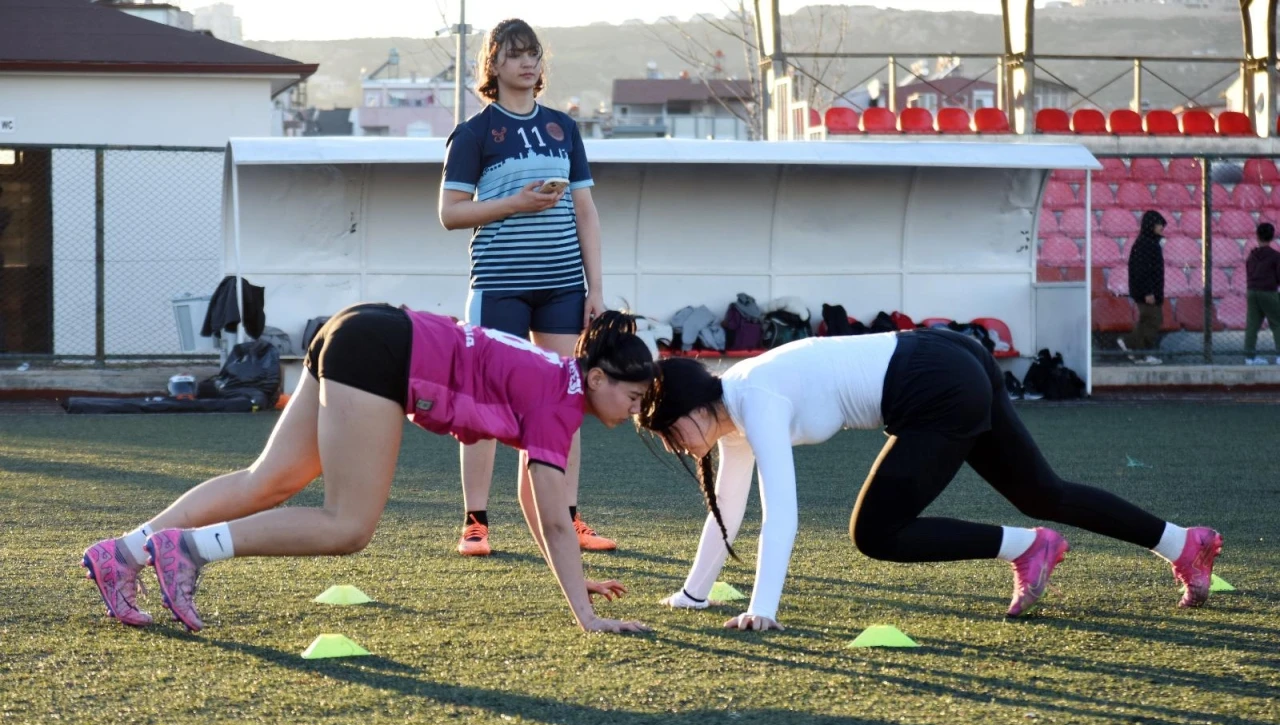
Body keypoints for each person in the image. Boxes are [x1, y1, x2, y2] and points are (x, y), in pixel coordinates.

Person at [81, 307, 654, 635]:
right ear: (599, 377)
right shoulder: (562, 402)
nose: (634, 412)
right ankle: (190, 549)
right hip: (383, 354)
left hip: (360, 327)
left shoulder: (561, 382)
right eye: (632, 397)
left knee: (270, 479)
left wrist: (576, 584)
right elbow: (557, 521)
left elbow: (537, 501)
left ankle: (125, 553)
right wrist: (586, 617)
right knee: (348, 525)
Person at [637, 327, 1222, 631]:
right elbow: (729, 509)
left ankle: (1029, 546)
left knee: (876, 533)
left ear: (691, 411)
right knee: (1041, 491)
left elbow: (780, 514)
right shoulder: (733, 411)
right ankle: (1182, 542)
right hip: (945, 357)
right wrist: (693, 595)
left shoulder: (754, 399)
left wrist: (764, 607)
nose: (676, 446)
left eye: (670, 434)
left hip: (935, 381)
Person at [440, 18, 614, 558]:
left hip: (563, 285)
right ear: (492, 65)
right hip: (500, 285)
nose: (527, 63)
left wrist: (596, 290)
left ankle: (566, 514)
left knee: (562, 400)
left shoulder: (564, 128)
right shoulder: (473, 134)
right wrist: (515, 203)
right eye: (514, 54)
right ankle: (476, 521)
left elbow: (585, 211)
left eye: (534, 53)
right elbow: (450, 214)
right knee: (487, 403)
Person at [1118, 210, 1167, 365]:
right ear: (1151, 225)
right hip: (1147, 291)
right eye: (1159, 224)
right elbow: (1141, 270)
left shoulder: (1149, 242)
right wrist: (1148, 292)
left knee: (1150, 320)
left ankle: (1140, 354)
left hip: (1150, 290)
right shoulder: (1145, 244)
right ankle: (1130, 344)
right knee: (1152, 319)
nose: (1161, 227)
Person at [1243, 221, 1280, 366]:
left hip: (1252, 291)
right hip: (1269, 292)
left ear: (1257, 236)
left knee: (1252, 325)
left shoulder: (1252, 256)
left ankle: (1249, 357)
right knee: (1277, 324)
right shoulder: (1275, 256)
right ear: (1272, 237)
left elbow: (1248, 272)